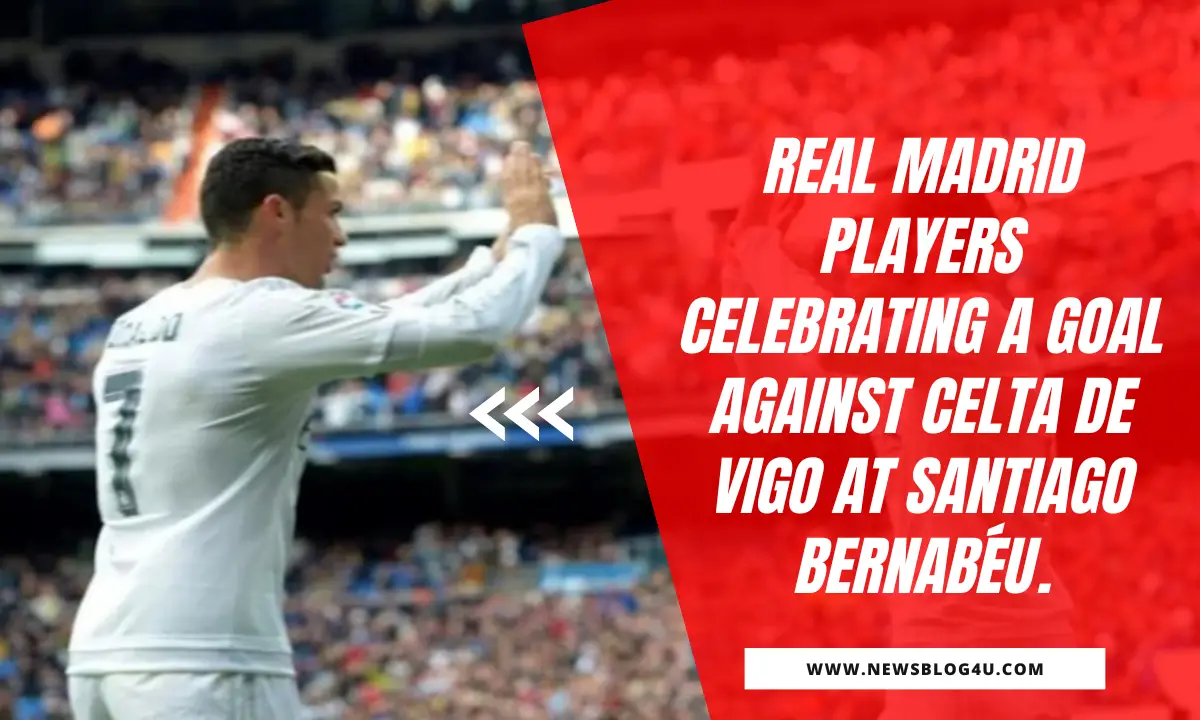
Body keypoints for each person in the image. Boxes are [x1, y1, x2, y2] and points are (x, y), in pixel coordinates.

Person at [66, 137, 563, 719]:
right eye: (331, 214)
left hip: (106, 653)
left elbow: (393, 320)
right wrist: (536, 236)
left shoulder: (142, 322)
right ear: (276, 211)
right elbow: (472, 332)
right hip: (205, 661)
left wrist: (491, 262)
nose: (340, 237)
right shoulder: (259, 315)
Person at [724, 164, 1077, 720]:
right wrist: (739, 256)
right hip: (936, 637)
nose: (858, 259)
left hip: (1011, 640)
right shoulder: (906, 370)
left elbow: (829, 337)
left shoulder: (975, 323)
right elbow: (760, 369)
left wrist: (760, 248)